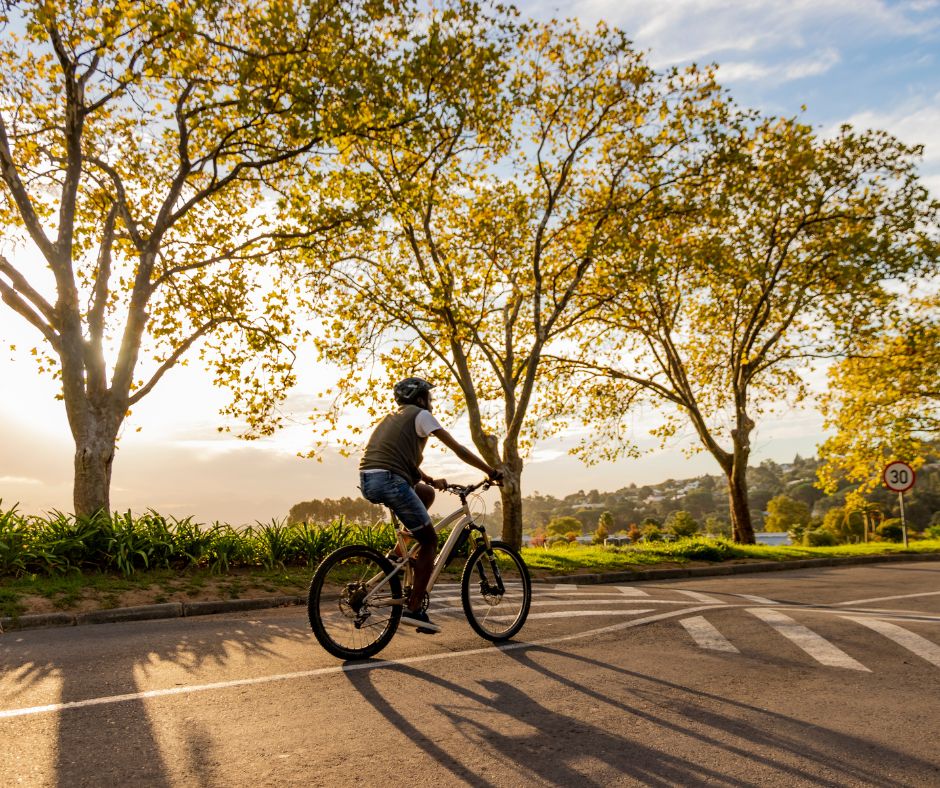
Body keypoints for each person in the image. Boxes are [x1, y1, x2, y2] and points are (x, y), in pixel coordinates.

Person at [359, 377, 501, 634]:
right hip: (391, 480)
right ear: (420, 398)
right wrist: (490, 471)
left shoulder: (392, 418)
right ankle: (414, 609)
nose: (431, 402)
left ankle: (398, 555)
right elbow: (458, 449)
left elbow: (397, 458)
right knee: (430, 541)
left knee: (424, 493)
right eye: (429, 397)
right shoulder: (421, 415)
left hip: (371, 479)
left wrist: (429, 479)